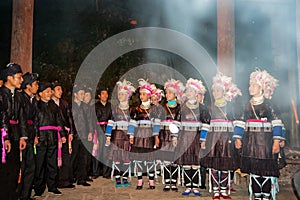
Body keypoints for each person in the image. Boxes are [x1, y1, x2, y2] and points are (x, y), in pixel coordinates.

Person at [234, 69, 282, 200]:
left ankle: (265, 196)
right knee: (254, 169)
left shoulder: (269, 105)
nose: (251, 87)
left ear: (262, 88)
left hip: (266, 143)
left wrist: (277, 141)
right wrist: (237, 138)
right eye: (250, 85)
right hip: (251, 143)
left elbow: (277, 123)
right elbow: (240, 123)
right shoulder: (246, 105)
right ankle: (256, 195)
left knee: (265, 170)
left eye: (254, 85)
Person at [200, 72, 242, 199]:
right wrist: (203, 139)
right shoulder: (210, 108)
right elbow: (205, 125)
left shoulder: (231, 107)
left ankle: (223, 190)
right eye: (214, 91)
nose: (215, 93)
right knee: (213, 165)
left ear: (224, 92)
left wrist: (238, 138)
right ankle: (215, 191)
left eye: (218, 90)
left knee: (225, 165)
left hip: (226, 140)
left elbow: (237, 123)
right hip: (213, 140)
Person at [175, 78, 211, 197]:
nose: (188, 92)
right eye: (187, 91)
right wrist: (174, 137)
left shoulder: (202, 108)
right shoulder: (182, 107)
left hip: (196, 138)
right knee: (186, 163)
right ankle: (187, 186)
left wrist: (203, 139)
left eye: (191, 90)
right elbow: (176, 123)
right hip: (184, 138)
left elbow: (206, 124)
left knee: (195, 163)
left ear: (196, 93)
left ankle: (195, 186)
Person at [33, 82, 67, 196]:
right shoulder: (36, 106)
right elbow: (35, 123)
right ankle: (39, 188)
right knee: (40, 164)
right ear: (41, 93)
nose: (49, 93)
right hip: (41, 138)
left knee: (52, 163)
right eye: (47, 91)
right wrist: (36, 136)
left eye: (50, 91)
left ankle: (52, 186)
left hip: (52, 137)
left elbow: (59, 121)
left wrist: (62, 135)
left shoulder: (54, 106)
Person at [0, 63, 26, 200]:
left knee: (15, 168)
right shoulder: (1, 94)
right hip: (3, 136)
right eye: (19, 77)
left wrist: (23, 137)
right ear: (9, 78)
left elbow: (22, 118)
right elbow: (2, 115)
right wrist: (5, 137)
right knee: (5, 170)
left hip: (15, 136)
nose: (21, 80)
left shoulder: (19, 96)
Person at [129, 79, 159, 190]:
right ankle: (140, 181)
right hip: (139, 136)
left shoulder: (154, 108)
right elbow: (132, 123)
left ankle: (151, 181)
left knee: (150, 158)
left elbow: (156, 124)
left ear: (149, 95)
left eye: (143, 94)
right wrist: (131, 135)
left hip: (149, 136)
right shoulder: (136, 109)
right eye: (140, 94)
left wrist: (156, 137)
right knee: (140, 159)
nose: (141, 96)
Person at [105, 79, 135, 188]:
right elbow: (110, 122)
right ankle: (118, 178)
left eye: (122, 94)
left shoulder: (131, 109)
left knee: (126, 157)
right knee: (117, 157)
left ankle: (125, 178)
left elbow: (132, 123)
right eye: (119, 94)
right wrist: (108, 136)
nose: (120, 96)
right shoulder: (115, 109)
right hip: (116, 135)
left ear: (127, 95)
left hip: (126, 136)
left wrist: (131, 135)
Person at [159, 79, 184, 192]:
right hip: (164, 135)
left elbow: (180, 122)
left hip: (176, 136)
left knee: (174, 158)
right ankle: (166, 181)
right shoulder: (162, 107)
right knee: (166, 159)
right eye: (166, 92)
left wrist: (176, 136)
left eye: (169, 92)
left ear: (175, 94)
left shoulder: (180, 108)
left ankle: (173, 182)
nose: (167, 94)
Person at [18, 72, 39, 200]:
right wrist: (23, 136)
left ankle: (25, 195)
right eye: (35, 84)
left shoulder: (32, 101)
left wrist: (35, 135)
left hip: (30, 137)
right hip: (22, 138)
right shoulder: (20, 98)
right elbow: (21, 120)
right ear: (28, 86)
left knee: (31, 166)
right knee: (22, 167)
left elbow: (35, 120)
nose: (37, 86)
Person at [51, 81, 75, 189]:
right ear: (52, 91)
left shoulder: (64, 103)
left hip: (64, 133)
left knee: (66, 157)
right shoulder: (48, 103)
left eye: (61, 89)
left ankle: (65, 180)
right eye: (58, 89)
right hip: (53, 134)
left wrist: (71, 132)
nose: (61, 92)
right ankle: (54, 181)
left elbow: (69, 118)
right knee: (54, 157)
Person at [71, 85, 94, 186]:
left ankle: (82, 178)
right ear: (75, 95)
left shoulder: (86, 107)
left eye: (84, 94)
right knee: (73, 157)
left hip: (85, 135)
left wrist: (90, 132)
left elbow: (90, 121)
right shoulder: (70, 106)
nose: (83, 95)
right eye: (81, 94)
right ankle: (71, 177)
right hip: (75, 136)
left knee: (84, 158)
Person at [95, 86, 112, 179]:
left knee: (107, 151)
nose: (105, 95)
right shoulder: (95, 106)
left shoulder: (110, 106)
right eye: (103, 94)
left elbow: (113, 118)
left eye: (106, 93)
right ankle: (95, 172)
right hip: (98, 129)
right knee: (97, 151)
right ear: (99, 95)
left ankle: (106, 172)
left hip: (108, 130)